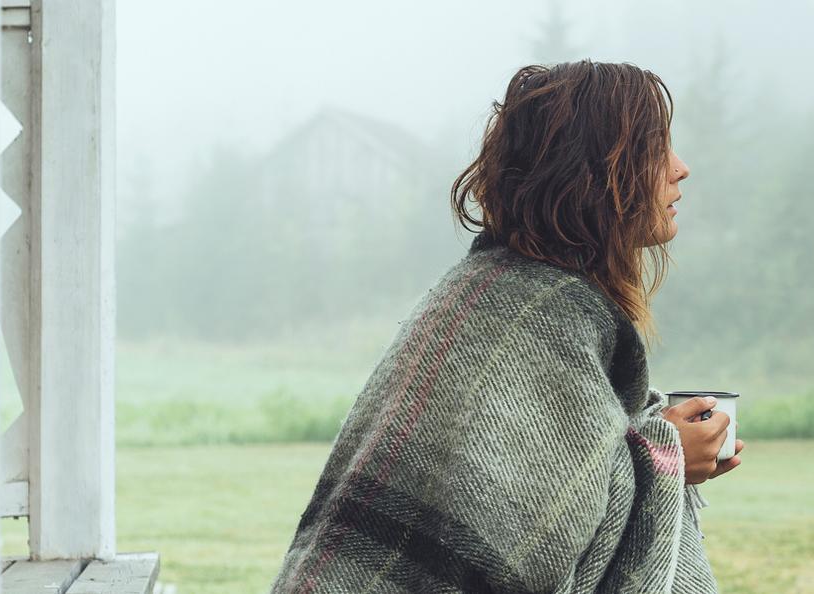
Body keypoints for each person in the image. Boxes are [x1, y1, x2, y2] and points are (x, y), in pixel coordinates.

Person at [271, 60, 740, 594]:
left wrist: (661, 443)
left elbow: (549, 490)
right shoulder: (530, 312)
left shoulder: (511, 293)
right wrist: (663, 454)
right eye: (656, 148)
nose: (681, 168)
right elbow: (530, 528)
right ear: (594, 172)